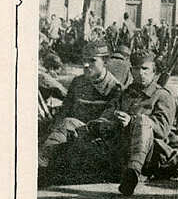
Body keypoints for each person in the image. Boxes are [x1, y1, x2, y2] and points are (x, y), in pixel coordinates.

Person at [92, 49, 178, 195]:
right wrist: (109, 122)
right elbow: (107, 115)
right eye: (136, 69)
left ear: (154, 72)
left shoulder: (162, 95)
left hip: (152, 154)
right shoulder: (124, 94)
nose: (140, 73)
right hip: (123, 148)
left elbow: (162, 129)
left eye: (145, 69)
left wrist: (132, 121)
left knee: (142, 121)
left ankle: (132, 174)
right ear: (131, 71)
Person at [38, 41, 121, 180]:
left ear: (105, 62)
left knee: (67, 125)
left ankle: (41, 165)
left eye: (92, 61)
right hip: (69, 136)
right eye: (84, 60)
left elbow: (108, 125)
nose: (86, 65)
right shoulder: (78, 82)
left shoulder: (115, 89)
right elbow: (64, 110)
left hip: (94, 140)